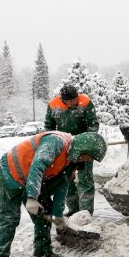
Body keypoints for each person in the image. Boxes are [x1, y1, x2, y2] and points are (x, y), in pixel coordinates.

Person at [0, 131, 107, 257]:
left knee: (45, 213)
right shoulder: (55, 143)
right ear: (82, 149)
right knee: (10, 219)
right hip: (11, 172)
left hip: (33, 179)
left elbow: (62, 187)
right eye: (89, 156)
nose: (88, 160)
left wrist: (58, 216)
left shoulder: (71, 161)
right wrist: (31, 197)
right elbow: (37, 165)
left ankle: (43, 252)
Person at [44, 84, 100, 216]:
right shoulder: (53, 105)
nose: (72, 103)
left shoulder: (85, 103)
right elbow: (48, 127)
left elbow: (93, 125)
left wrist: (85, 143)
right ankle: (74, 210)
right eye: (69, 101)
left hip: (83, 148)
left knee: (85, 180)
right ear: (62, 99)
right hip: (64, 150)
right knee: (66, 180)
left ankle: (86, 212)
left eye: (74, 99)